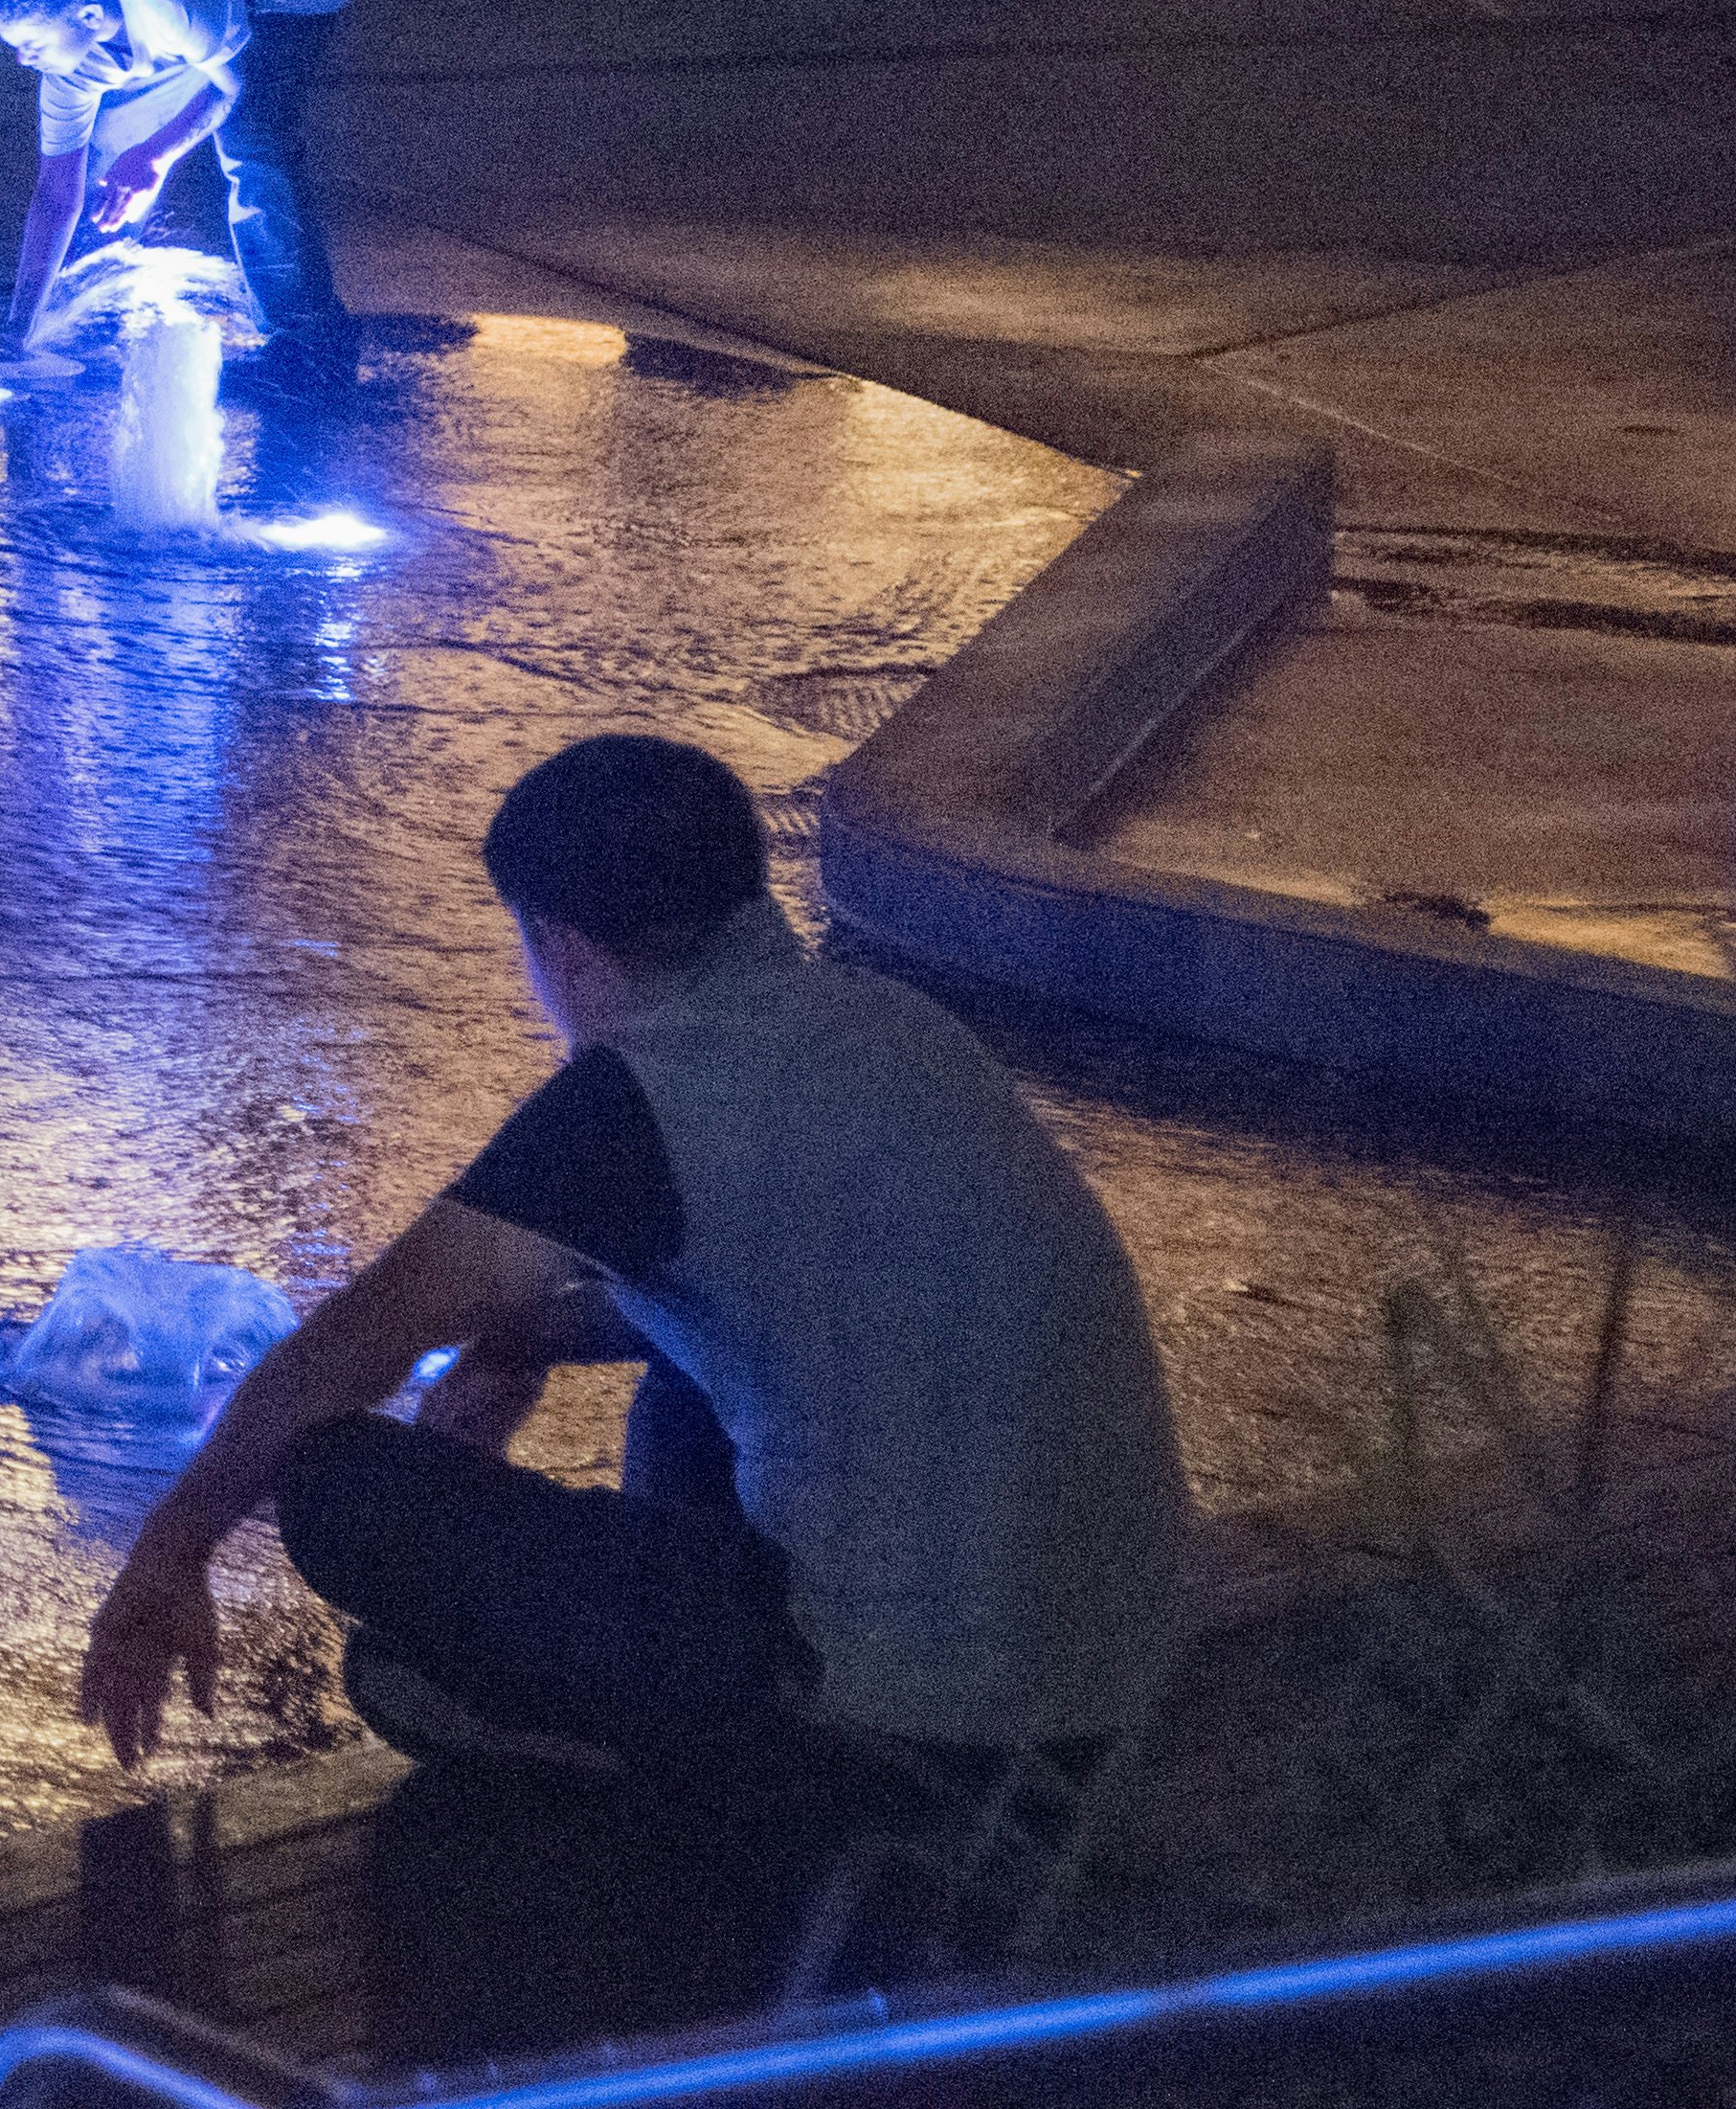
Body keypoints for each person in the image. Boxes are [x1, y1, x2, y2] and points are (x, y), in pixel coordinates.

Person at [77, 734, 1189, 1794]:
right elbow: (804, 1290)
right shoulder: (894, 1025)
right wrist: (526, 1332)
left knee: (334, 1482)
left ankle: (666, 1762)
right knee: (685, 1377)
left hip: (908, 1718)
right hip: (1107, 1683)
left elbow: (334, 1359)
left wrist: (165, 1557)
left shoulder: (632, 1098)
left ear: (556, 943)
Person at [0, 0, 355, 393]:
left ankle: (309, 343)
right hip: (209, 4)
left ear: (90, 18)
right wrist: (19, 328)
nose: (22, 61)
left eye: (31, 43)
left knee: (252, 139)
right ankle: (77, 304)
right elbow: (55, 195)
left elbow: (233, 86)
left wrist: (156, 154)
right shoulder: (69, 70)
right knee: (111, 148)